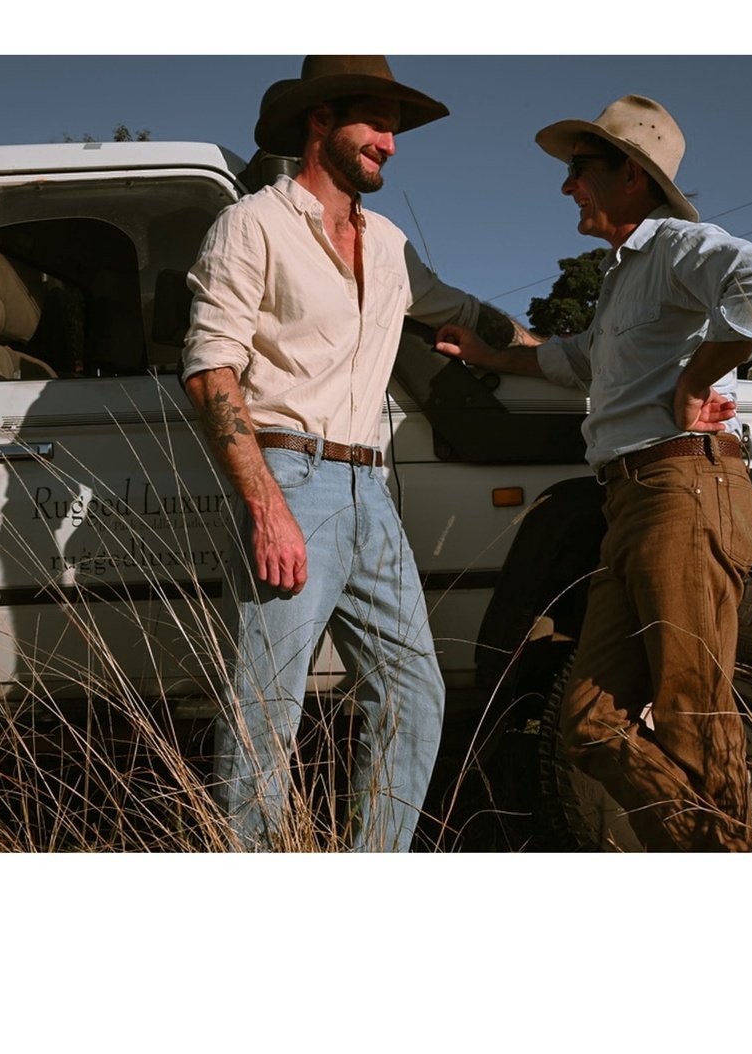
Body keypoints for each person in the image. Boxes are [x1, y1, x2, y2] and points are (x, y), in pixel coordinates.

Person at [182, 56, 532, 852]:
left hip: (371, 490)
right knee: (266, 705)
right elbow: (210, 373)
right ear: (319, 122)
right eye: (375, 123)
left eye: (396, 129)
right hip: (291, 478)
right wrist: (267, 507)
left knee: (415, 691)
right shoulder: (254, 225)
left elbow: (467, 314)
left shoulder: (392, 246)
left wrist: (576, 355)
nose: (391, 144)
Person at [436, 95, 752, 851]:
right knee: (589, 724)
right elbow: (572, 361)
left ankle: (714, 858)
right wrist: (484, 355)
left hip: (684, 489)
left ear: (628, 176)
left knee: (691, 711)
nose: (566, 186)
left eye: (578, 169)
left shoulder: (676, 246)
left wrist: (698, 379)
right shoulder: (622, 279)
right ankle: (714, 849)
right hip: (632, 502)